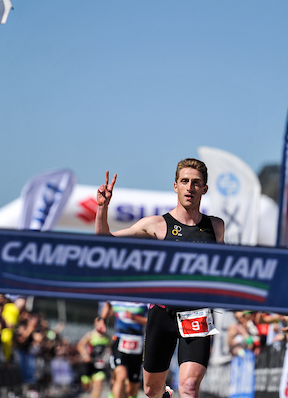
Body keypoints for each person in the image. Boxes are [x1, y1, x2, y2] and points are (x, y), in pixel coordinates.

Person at [95, 158, 225, 398]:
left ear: (204, 189)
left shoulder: (215, 227)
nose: (190, 188)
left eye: (196, 183)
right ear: (175, 186)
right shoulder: (156, 225)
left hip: (196, 315)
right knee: (150, 390)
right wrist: (102, 208)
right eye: (184, 181)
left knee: (189, 386)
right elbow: (105, 242)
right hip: (161, 313)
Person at [100, 301, 149, 398]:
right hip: (119, 341)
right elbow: (107, 304)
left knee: (132, 389)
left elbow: (152, 322)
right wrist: (102, 320)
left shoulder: (144, 300)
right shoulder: (118, 295)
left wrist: (135, 318)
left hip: (138, 344)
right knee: (121, 376)